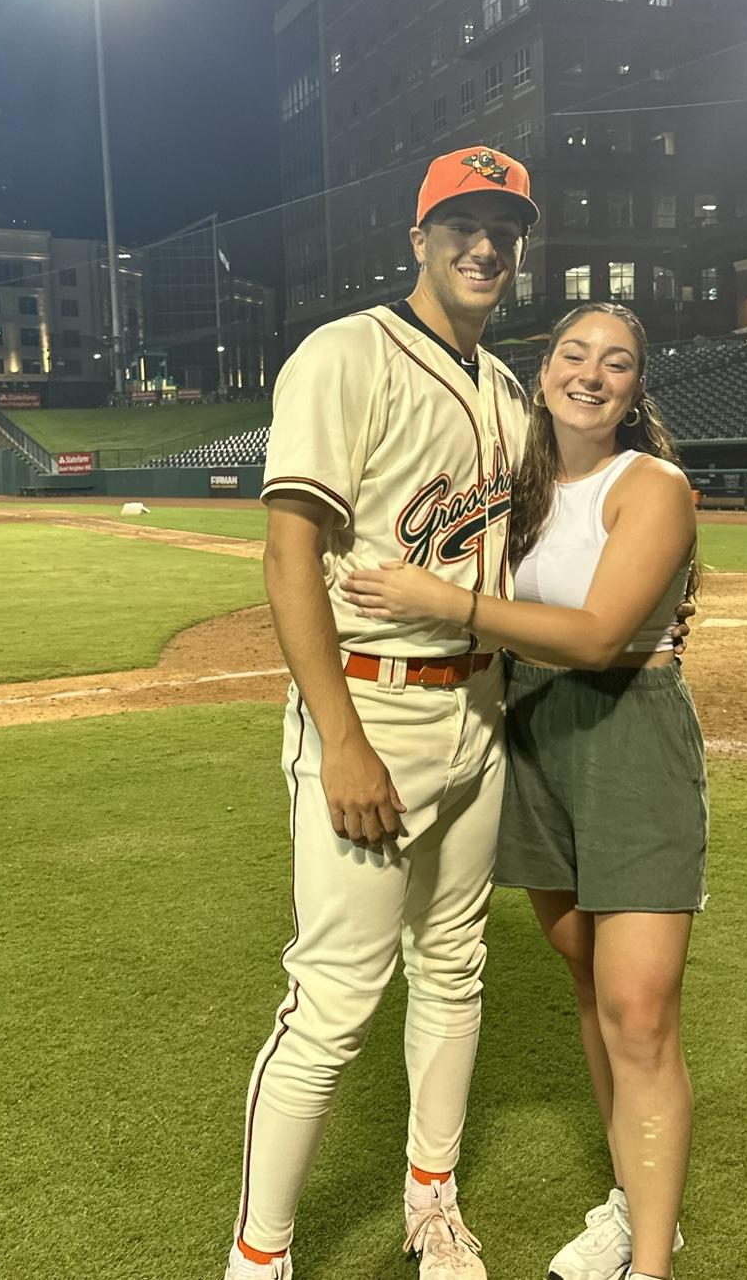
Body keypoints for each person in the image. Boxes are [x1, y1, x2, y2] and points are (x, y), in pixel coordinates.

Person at [226, 147, 538, 1280]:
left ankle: (431, 1202)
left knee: (454, 964)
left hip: (481, 715)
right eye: (462, 224)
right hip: (373, 706)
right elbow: (288, 557)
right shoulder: (346, 353)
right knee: (334, 1002)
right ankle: (258, 1258)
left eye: (504, 228)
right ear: (419, 237)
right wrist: (344, 742)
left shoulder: (507, 390)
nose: (484, 246)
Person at [345, 302, 705, 1280]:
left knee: (640, 1011)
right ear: (542, 375)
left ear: (635, 390)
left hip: (629, 732)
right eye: (574, 355)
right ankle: (636, 1201)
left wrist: (447, 603)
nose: (592, 373)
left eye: (616, 363)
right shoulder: (518, 492)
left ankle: (650, 1267)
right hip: (536, 733)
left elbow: (597, 636)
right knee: (589, 981)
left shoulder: (652, 485)